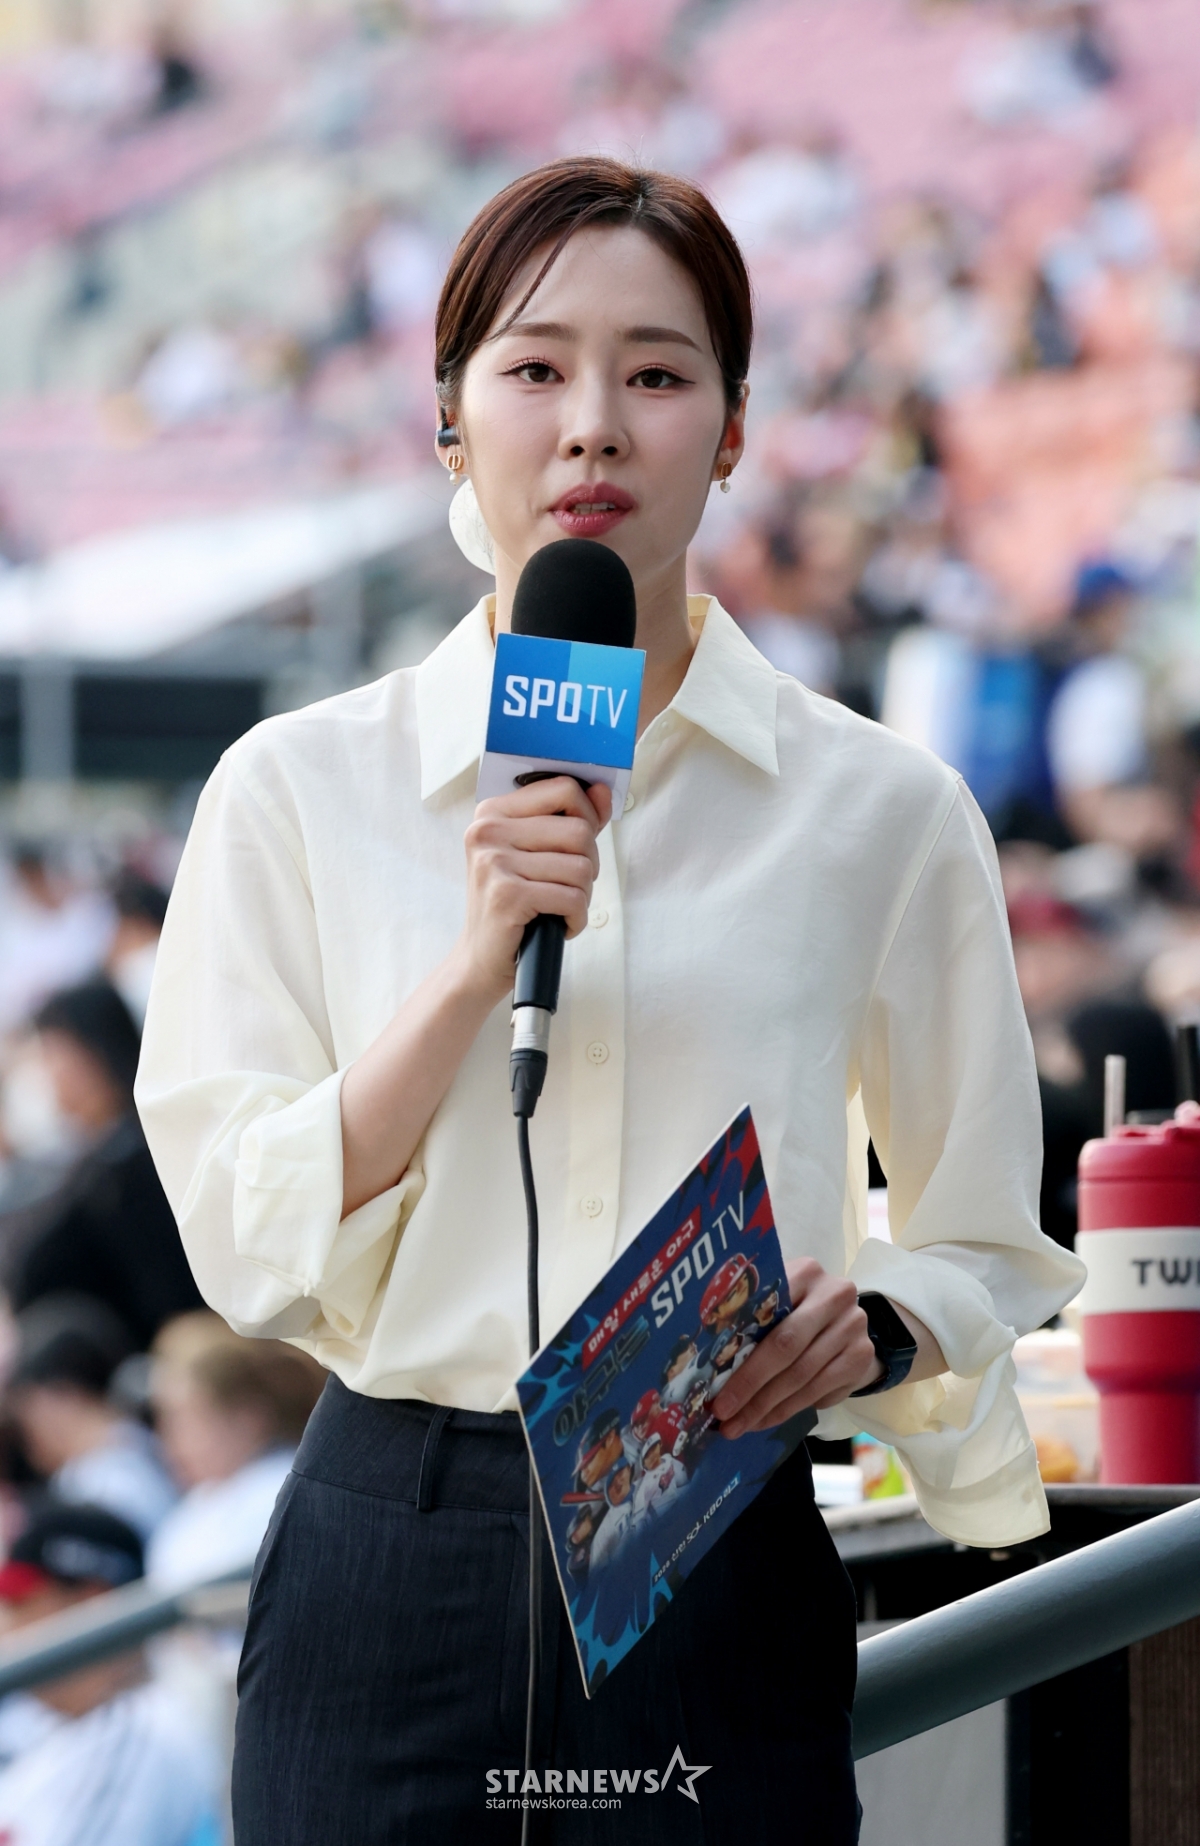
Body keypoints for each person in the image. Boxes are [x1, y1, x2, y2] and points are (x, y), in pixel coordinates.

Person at [136, 157, 1084, 1842]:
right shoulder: (296, 787)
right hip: (392, 1550)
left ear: (731, 431)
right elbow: (243, 1233)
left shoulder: (881, 808)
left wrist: (876, 1323)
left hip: (712, 1542)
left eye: (655, 374)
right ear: (451, 420)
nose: (592, 427)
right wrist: (475, 961)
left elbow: (986, 1238)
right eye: (535, 368)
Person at [0, 1503, 217, 1846]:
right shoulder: (62, 1727)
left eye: (20, 1603)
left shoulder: (140, 1730)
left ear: (92, 1606)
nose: (5, 1624)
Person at [3, 981, 202, 1347]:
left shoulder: (139, 1159)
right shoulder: (91, 1157)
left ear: (94, 1052)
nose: (47, 1073)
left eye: (53, 1054)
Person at [145, 1312, 324, 1589]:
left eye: (186, 1416)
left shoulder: (284, 1494)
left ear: (248, 1417)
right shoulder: (194, 1508)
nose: (169, 1437)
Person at [7, 1295, 177, 1541]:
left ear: (61, 1397)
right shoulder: (145, 1446)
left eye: (27, 1414)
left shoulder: (105, 1480)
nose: (27, 1438)